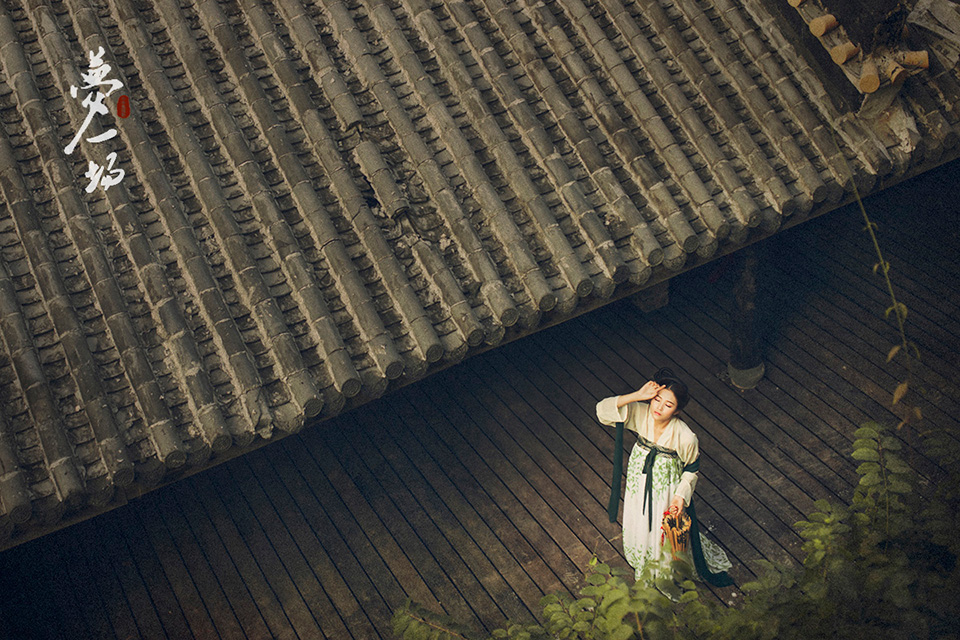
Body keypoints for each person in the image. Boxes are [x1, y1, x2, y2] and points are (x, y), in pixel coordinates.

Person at [596, 368, 733, 586]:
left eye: (668, 405)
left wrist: (680, 497)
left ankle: (666, 567)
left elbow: (692, 467)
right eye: (656, 400)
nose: (659, 408)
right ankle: (644, 557)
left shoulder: (685, 436)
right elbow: (603, 411)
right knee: (639, 516)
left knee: (662, 524)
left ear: (677, 411)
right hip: (638, 480)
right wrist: (638, 395)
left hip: (666, 488)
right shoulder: (641, 412)